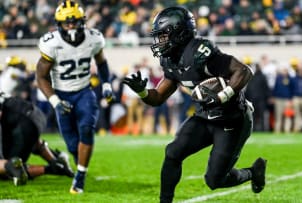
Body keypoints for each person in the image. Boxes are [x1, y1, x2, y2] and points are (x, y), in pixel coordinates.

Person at [123, 7, 267, 203]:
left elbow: (243, 71)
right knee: (173, 152)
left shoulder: (200, 52)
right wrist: (142, 91)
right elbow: (157, 98)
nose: (160, 40)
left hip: (231, 120)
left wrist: (222, 96)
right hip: (204, 116)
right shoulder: (170, 59)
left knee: (215, 180)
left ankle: (253, 172)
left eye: (164, 34)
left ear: (179, 32)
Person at [35, 0, 114, 194]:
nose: (71, 26)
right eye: (66, 23)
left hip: (84, 92)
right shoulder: (51, 43)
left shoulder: (93, 38)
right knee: (72, 145)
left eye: (75, 21)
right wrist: (55, 101)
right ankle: (79, 163)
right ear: (58, 24)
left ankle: (80, 176)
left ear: (82, 21)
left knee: (87, 129)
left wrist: (106, 84)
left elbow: (102, 63)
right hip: (61, 94)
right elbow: (41, 76)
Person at [0, 92, 74, 186]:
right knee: (25, 140)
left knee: (7, 168)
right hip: (35, 115)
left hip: (20, 123)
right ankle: (56, 161)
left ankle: (51, 169)